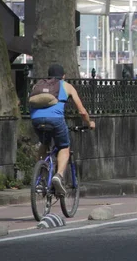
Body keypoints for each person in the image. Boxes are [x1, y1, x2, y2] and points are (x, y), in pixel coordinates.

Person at [30, 64, 95, 196]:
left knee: (44, 143)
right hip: (56, 120)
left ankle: (40, 177)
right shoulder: (66, 86)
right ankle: (58, 176)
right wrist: (89, 123)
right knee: (64, 147)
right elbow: (82, 111)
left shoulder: (38, 85)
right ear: (63, 76)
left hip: (36, 119)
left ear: (48, 75)